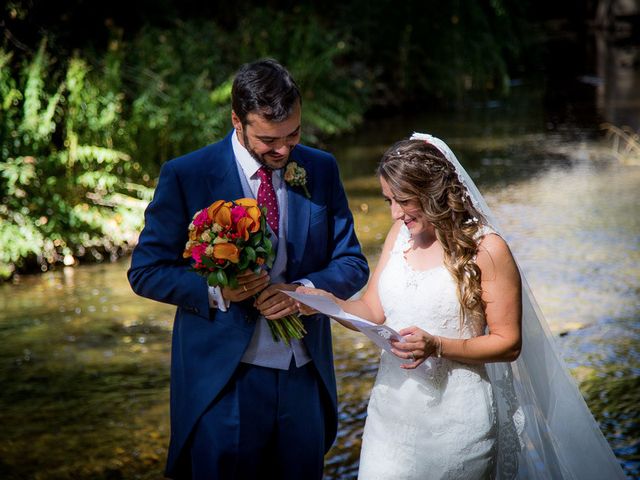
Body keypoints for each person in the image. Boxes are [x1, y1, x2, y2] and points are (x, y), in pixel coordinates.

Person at [298, 133, 626, 479]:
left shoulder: (487, 249)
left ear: (433, 192)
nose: (396, 213)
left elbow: (508, 342)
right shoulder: (400, 236)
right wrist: (330, 303)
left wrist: (437, 345)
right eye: (388, 201)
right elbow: (373, 311)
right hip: (391, 419)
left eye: (404, 201)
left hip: (456, 421)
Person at [127, 59, 369, 480]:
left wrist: (305, 292)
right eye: (269, 139)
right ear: (236, 120)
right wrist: (219, 291)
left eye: (293, 135)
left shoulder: (320, 168)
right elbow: (146, 271)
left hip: (304, 374)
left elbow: (351, 262)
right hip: (224, 382)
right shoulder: (188, 175)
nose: (284, 149)